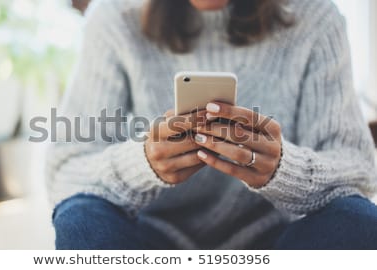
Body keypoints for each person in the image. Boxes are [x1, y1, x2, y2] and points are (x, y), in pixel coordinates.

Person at [47, 0, 377, 249]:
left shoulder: (315, 16)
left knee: (356, 220)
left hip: (275, 242)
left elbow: (358, 170)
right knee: (80, 218)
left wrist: (283, 169)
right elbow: (65, 172)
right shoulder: (114, 16)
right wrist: (142, 163)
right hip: (149, 240)